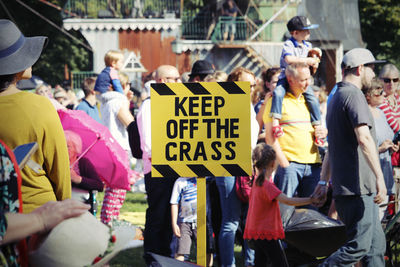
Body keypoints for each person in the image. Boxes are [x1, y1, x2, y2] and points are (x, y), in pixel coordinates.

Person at [314, 48, 386, 266]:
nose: (374, 74)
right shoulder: (353, 95)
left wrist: (322, 180)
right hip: (358, 189)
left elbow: (333, 145)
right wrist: (380, 178)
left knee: (375, 248)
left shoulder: (336, 93)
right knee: (359, 247)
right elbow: (363, 138)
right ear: (361, 68)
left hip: (355, 188)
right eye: (372, 68)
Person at [0, 19, 71, 213]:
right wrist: (65, 206)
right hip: (38, 213)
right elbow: (59, 167)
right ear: (15, 66)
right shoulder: (39, 105)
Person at [0, 139, 89, 266]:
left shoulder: (84, 162)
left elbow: (96, 184)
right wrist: (40, 219)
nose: (66, 148)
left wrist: (78, 180)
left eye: (69, 146)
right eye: (65, 145)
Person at [137, 65, 182, 265]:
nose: (179, 82)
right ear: (163, 81)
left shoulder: (171, 102)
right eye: (176, 79)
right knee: (158, 216)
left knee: (167, 218)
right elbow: (148, 142)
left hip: (172, 167)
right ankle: (154, 257)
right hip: (158, 169)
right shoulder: (149, 106)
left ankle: (164, 257)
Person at [244, 143, 315, 267]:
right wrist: (311, 200)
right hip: (266, 232)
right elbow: (287, 201)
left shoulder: (256, 182)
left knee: (260, 262)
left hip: (256, 231)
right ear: (272, 163)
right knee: (280, 263)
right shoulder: (267, 185)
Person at [216, 67, 259, 267]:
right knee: (231, 220)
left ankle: (250, 263)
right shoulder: (226, 103)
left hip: (249, 166)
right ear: (233, 83)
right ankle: (228, 264)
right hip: (228, 166)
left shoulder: (250, 105)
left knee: (251, 219)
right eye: (246, 84)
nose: (250, 88)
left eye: (253, 85)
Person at [263, 62, 326, 200]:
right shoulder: (275, 101)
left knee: (311, 214)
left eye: (309, 79)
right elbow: (270, 137)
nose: (308, 83)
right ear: (290, 80)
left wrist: (323, 132)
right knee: (284, 213)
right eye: (303, 80)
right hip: (290, 166)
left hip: (313, 165)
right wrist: (285, 164)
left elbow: (319, 129)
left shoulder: (309, 101)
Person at [270, 16, 323, 146]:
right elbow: (288, 59)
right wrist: (307, 61)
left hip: (301, 79)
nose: (309, 33)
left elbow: (312, 55)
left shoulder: (308, 45)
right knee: (278, 93)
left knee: (312, 99)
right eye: (305, 30)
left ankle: (317, 128)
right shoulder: (288, 44)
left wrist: (315, 58)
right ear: (295, 33)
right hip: (287, 76)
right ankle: (276, 123)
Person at [99, 71, 134, 224]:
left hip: (111, 147)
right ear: (122, 86)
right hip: (119, 149)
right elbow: (129, 123)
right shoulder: (118, 101)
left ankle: (108, 220)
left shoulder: (107, 102)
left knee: (112, 189)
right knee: (118, 190)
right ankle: (110, 221)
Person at [363, 78, 399, 221]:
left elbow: (388, 136)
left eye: (383, 93)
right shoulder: (364, 115)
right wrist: (380, 149)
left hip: (385, 169)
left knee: (382, 215)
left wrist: (392, 146)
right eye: (379, 93)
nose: (384, 95)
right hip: (370, 174)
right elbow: (361, 147)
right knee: (371, 218)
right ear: (368, 96)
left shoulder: (381, 113)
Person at [170, 177, 213, 266]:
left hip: (203, 222)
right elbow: (174, 203)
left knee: (207, 250)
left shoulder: (206, 178)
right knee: (180, 250)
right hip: (184, 222)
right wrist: (174, 223)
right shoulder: (180, 182)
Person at [255, 67, 281, 136]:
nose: (279, 85)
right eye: (275, 82)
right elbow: (256, 131)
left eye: (281, 81)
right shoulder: (261, 105)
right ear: (268, 84)